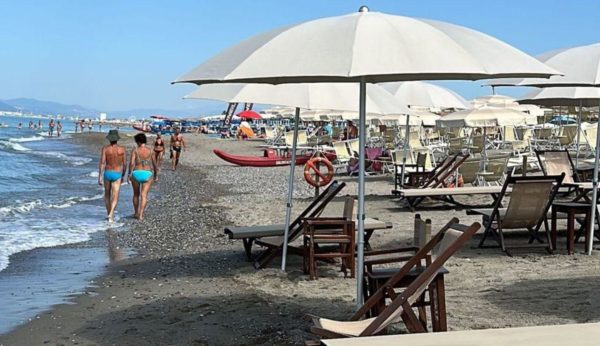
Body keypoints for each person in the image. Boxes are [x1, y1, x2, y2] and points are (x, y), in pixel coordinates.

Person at [98, 130, 126, 223]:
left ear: (109, 139)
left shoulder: (105, 149)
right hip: (117, 173)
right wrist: (123, 175)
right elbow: (125, 164)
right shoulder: (122, 149)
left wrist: (100, 176)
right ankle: (111, 214)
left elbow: (102, 163)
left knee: (107, 194)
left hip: (107, 173)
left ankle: (109, 214)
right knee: (115, 195)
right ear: (117, 139)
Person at [128, 133, 157, 221]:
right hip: (147, 173)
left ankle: (136, 212)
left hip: (136, 172)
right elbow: (154, 164)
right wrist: (155, 174)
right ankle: (141, 215)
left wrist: (129, 173)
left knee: (136, 194)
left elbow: (132, 163)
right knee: (144, 195)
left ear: (138, 141)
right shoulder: (151, 151)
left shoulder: (135, 150)